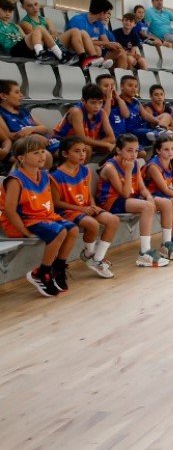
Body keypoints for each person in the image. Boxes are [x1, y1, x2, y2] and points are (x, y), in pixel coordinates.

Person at [0, 135, 79, 296]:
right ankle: (42, 273)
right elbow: (9, 210)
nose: (42, 155)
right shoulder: (15, 180)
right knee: (60, 231)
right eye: (36, 153)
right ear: (21, 158)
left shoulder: (44, 174)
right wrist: (24, 231)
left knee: (73, 230)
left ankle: (58, 268)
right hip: (25, 220)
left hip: (44, 217)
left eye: (43, 151)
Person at [96, 133, 173, 267]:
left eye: (136, 150)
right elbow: (125, 194)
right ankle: (145, 253)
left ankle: (166, 245)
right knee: (147, 207)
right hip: (112, 201)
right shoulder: (110, 167)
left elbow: (142, 188)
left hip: (130, 198)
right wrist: (127, 171)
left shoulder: (134, 163)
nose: (134, 154)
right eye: (129, 150)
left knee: (166, 203)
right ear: (118, 150)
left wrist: (149, 198)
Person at [50, 136, 119, 278]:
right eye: (77, 151)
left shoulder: (85, 170)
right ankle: (88, 254)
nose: (82, 154)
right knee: (92, 224)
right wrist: (82, 209)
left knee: (113, 220)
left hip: (85, 207)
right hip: (67, 211)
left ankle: (97, 259)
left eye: (83, 151)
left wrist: (93, 206)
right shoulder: (55, 176)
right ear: (64, 154)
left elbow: (88, 194)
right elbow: (56, 203)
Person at [143, 132, 173, 254]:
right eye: (166, 149)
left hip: (162, 195)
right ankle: (172, 239)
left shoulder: (172, 163)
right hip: (148, 196)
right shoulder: (153, 166)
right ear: (158, 150)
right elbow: (165, 189)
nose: (170, 152)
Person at [17, 0, 86, 66]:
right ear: (23, 7)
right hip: (45, 48)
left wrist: (51, 35)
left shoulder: (46, 19)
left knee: (75, 30)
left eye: (36, 4)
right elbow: (38, 38)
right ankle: (61, 55)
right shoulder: (25, 23)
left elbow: (55, 35)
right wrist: (50, 35)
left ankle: (83, 59)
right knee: (40, 30)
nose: (34, 7)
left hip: (54, 43)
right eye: (30, 5)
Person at [0, 79, 60, 162]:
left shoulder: (24, 111)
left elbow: (44, 128)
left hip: (44, 141)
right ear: (3, 96)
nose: (21, 95)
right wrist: (33, 137)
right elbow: (9, 136)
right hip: (26, 146)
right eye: (17, 92)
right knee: (67, 154)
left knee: (75, 149)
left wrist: (31, 129)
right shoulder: (1, 113)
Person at [52, 83, 116, 154]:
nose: (97, 106)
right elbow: (81, 139)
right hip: (60, 143)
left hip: (81, 144)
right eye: (93, 103)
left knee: (117, 147)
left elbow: (111, 138)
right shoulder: (76, 112)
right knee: (86, 149)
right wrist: (105, 144)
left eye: (100, 102)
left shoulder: (102, 112)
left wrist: (103, 145)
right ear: (83, 101)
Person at [65, 0, 127, 69]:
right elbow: (80, 41)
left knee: (120, 52)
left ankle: (121, 78)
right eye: (107, 13)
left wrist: (114, 45)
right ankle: (92, 67)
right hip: (78, 52)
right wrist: (105, 43)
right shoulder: (79, 20)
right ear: (101, 13)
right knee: (97, 48)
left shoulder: (99, 23)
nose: (108, 16)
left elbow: (106, 42)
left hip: (97, 53)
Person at [0, 0, 64, 65]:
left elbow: (25, 38)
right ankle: (59, 55)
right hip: (13, 50)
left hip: (24, 48)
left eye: (10, 11)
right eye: (4, 11)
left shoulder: (16, 26)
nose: (7, 14)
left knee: (39, 32)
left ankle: (44, 53)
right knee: (39, 28)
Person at [117, 75, 157, 145]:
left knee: (165, 116)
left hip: (140, 126)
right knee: (152, 134)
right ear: (122, 86)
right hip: (130, 131)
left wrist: (158, 121)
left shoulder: (136, 101)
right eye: (130, 85)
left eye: (136, 86)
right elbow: (125, 115)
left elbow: (145, 115)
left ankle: (160, 130)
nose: (134, 88)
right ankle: (158, 133)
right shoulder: (119, 101)